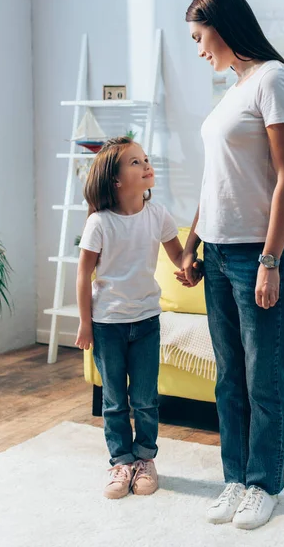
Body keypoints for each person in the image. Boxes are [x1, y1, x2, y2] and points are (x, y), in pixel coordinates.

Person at [178, 0, 284, 530]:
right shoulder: (234, 89)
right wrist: (189, 242)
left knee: (263, 379)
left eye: (199, 36)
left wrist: (271, 261)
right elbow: (215, 184)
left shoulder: (275, 80)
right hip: (217, 251)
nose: (199, 48)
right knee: (229, 376)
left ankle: (264, 484)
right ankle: (235, 477)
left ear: (223, 25)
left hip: (260, 253)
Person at [75, 136, 200, 499]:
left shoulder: (158, 214)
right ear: (115, 180)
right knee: (114, 401)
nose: (146, 165)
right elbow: (84, 274)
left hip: (146, 321)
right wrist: (85, 322)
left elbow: (178, 257)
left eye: (145, 159)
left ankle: (145, 459)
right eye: (135, 162)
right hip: (107, 324)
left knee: (145, 399)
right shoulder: (99, 223)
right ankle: (121, 461)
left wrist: (192, 267)